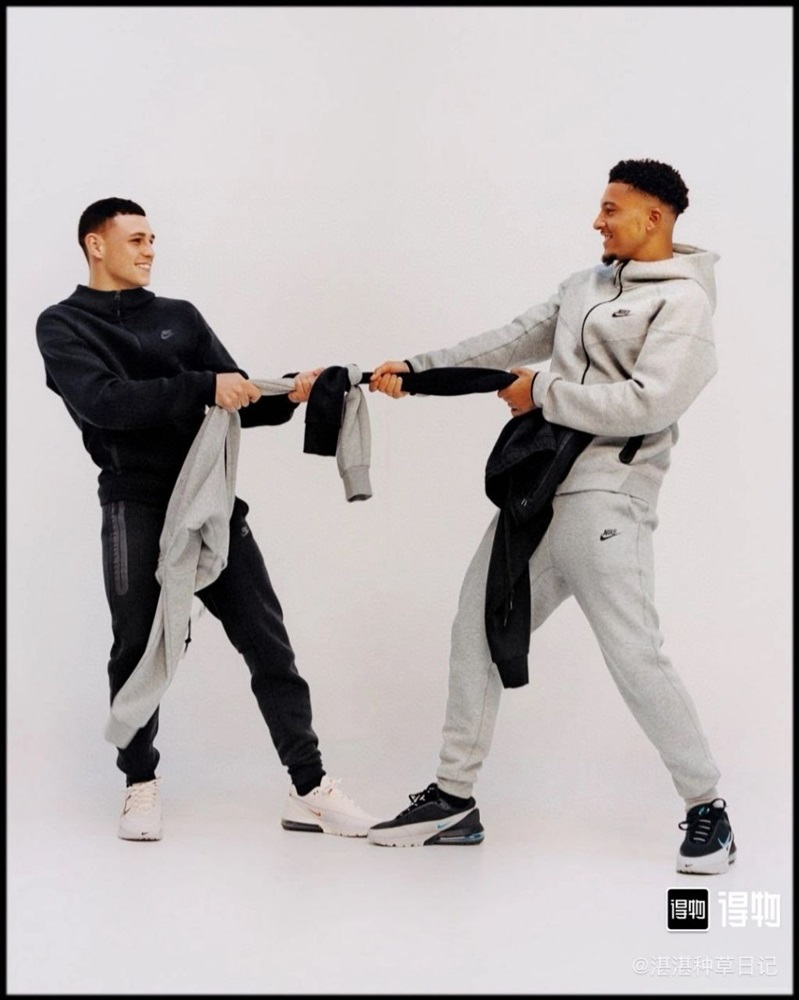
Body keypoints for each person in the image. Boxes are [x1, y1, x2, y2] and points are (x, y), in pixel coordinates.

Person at [367, 159, 736, 874]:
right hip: (534, 491)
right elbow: (507, 341)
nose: (597, 221)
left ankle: (707, 808)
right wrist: (416, 370)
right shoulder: (583, 285)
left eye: (611, 209)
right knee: (476, 628)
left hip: (607, 499)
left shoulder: (684, 303)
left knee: (634, 654)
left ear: (654, 216)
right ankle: (453, 799)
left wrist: (542, 393)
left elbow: (649, 402)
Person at [36, 198, 378, 841]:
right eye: (136, 239)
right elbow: (105, 403)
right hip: (133, 503)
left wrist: (292, 390)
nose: (150, 250)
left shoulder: (180, 317)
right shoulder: (62, 325)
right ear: (95, 245)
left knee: (268, 643)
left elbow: (236, 396)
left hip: (210, 499)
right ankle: (139, 783)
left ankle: (308, 788)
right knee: (136, 647)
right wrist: (202, 387)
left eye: (153, 239)